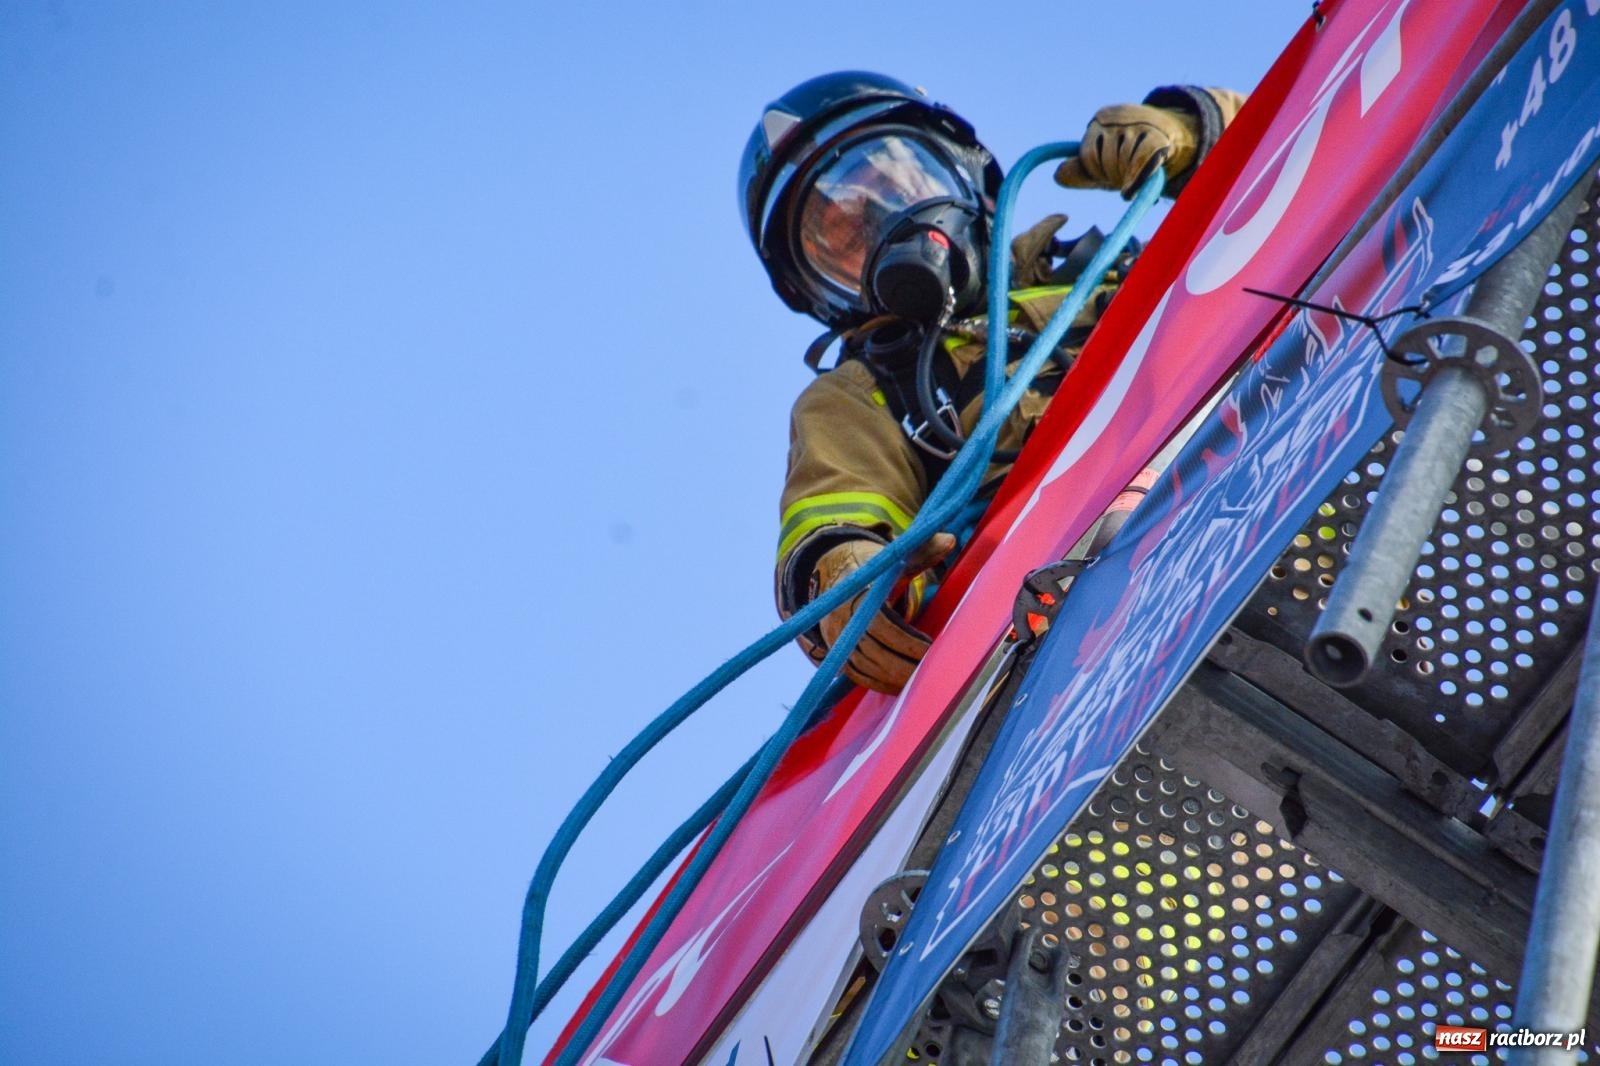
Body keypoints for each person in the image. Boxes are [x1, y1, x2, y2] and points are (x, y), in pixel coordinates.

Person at [739, 72, 1244, 693]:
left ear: (966, 174)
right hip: (1095, 643)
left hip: (1265, 510)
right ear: (822, 292)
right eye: (843, 233)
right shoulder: (865, 397)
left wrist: (1201, 133)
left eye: (890, 183)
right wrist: (844, 571)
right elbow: (837, 505)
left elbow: (1333, 157)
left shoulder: (1129, 269)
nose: (882, 221)